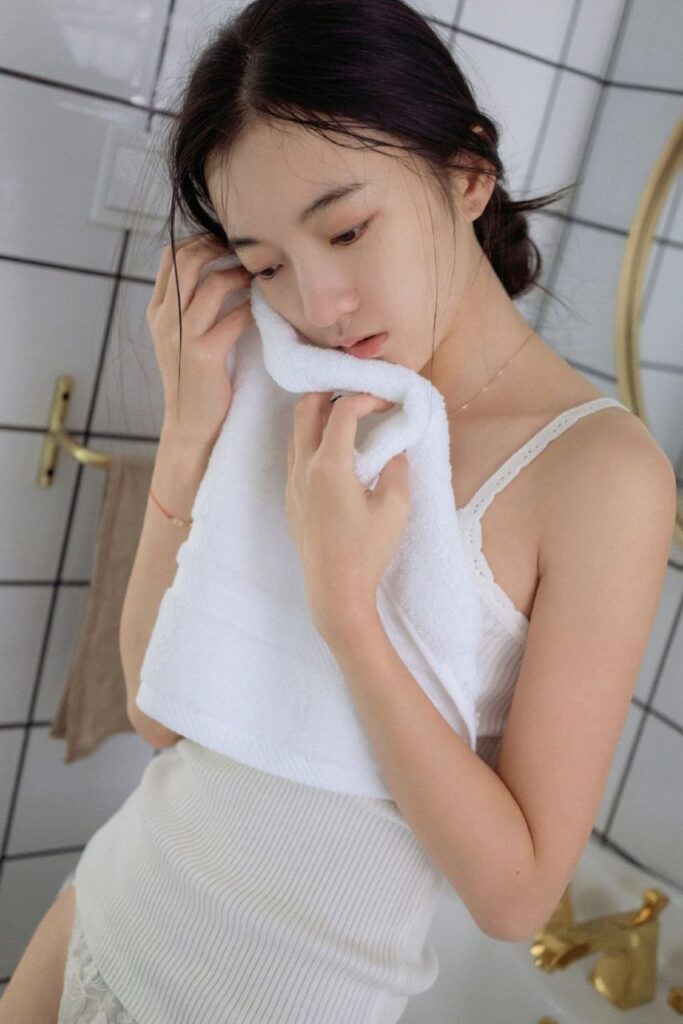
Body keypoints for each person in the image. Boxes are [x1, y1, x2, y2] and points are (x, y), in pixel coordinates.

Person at [1, 0, 676, 1021]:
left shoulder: (597, 473)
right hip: (102, 914)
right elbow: (156, 708)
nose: (316, 304)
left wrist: (347, 613)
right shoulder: (301, 387)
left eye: (348, 229)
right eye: (265, 264)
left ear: (466, 174)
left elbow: (513, 897)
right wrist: (188, 428)